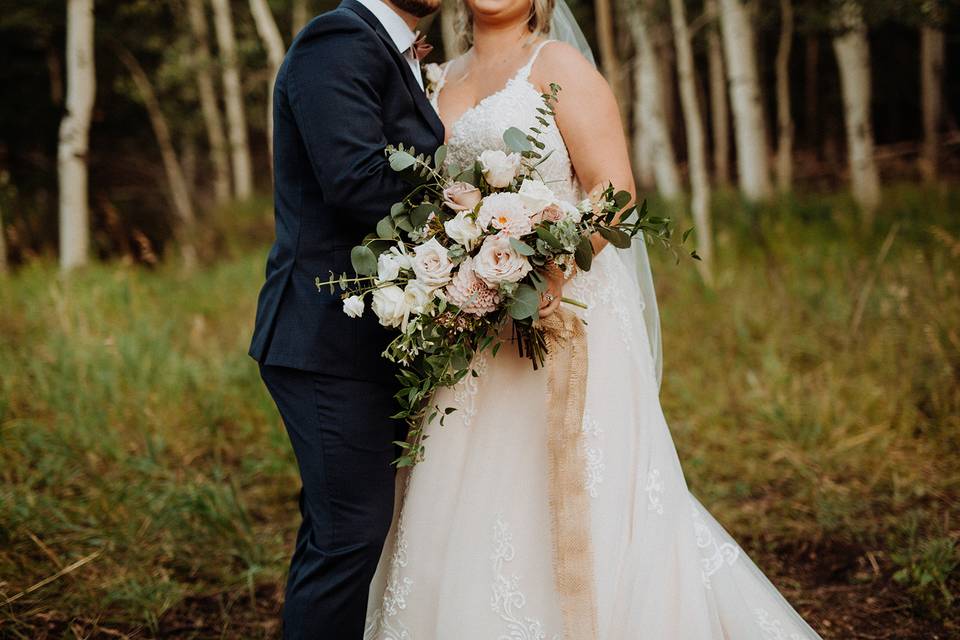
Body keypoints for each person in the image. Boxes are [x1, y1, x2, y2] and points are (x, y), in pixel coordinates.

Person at [363, 0, 824, 637]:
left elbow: (616, 195)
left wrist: (549, 259)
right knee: (464, 499)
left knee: (576, 489)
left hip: (560, 318)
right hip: (466, 330)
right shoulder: (435, 79)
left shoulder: (561, 67)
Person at [248, 0, 443, 636]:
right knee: (348, 538)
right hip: (324, 336)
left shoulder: (392, 49)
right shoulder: (336, 40)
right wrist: (474, 213)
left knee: (341, 529)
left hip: (364, 337)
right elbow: (358, 181)